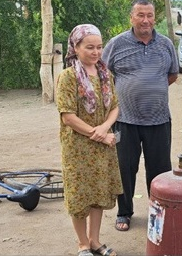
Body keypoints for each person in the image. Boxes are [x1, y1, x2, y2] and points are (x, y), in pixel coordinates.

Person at [102, 0, 179, 232]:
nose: (146, 20)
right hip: (125, 121)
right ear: (131, 18)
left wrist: (149, 89)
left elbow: (172, 75)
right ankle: (124, 212)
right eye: (140, 15)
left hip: (158, 120)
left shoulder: (166, 44)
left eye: (149, 15)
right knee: (125, 168)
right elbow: (104, 76)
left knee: (160, 170)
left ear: (155, 18)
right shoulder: (116, 44)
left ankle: (159, 212)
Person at [56, 24, 122, 256]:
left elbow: (114, 107)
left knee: (98, 193)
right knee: (79, 195)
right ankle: (82, 243)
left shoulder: (105, 75)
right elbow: (68, 117)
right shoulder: (68, 77)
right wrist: (98, 134)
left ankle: (95, 241)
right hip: (78, 147)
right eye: (89, 47)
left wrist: (104, 129)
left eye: (99, 47)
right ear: (76, 47)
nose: (95, 52)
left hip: (102, 145)